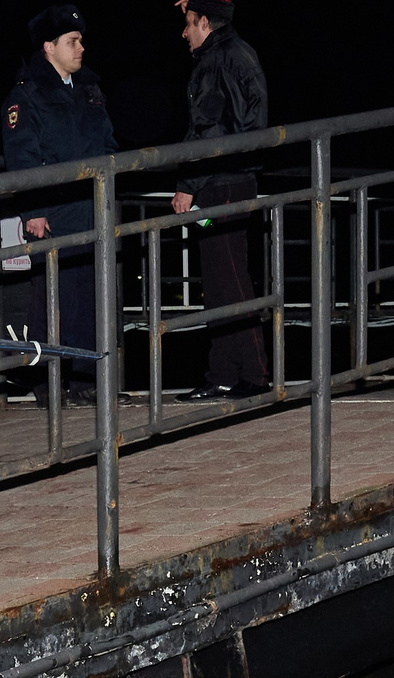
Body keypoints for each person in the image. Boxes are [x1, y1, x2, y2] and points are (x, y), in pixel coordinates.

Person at [1, 5, 117, 380]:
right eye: (72, 41)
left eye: (81, 40)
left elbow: (108, 144)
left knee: (92, 296)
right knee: (55, 300)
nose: (81, 47)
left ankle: (87, 377)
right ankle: (50, 380)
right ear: (49, 47)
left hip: (91, 207)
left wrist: (107, 192)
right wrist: (33, 211)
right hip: (53, 213)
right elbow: (23, 158)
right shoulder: (26, 96)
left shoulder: (89, 88)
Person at [170, 0, 270, 401]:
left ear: (205, 23)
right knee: (222, 282)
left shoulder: (219, 60)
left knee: (230, 282)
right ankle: (225, 373)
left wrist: (188, 183)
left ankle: (254, 375)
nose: (184, 32)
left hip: (221, 182)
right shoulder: (234, 52)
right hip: (232, 179)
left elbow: (212, 129)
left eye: (189, 23)